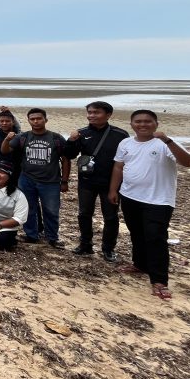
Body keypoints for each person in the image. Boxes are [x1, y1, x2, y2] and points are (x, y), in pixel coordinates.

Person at [109, 110, 190, 300]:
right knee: (137, 233)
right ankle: (139, 264)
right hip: (130, 196)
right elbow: (118, 167)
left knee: (155, 238)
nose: (142, 125)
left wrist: (168, 140)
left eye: (147, 121)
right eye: (138, 121)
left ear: (156, 124)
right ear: (131, 124)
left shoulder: (164, 144)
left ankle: (159, 280)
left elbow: (189, 162)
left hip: (159, 200)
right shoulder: (126, 143)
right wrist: (113, 190)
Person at [63, 101, 129, 262]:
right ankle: (85, 244)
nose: (91, 115)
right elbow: (69, 155)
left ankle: (108, 249)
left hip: (110, 183)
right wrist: (71, 140)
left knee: (111, 217)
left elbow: (126, 160)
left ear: (108, 115)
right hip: (87, 181)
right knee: (84, 214)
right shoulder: (81, 133)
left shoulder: (120, 135)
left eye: (96, 112)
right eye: (90, 112)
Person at [1, 108, 68, 248]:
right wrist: (7, 139)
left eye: (39, 118)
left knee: (51, 210)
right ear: (28, 121)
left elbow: (66, 159)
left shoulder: (56, 138)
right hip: (27, 179)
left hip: (50, 181)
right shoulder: (23, 137)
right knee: (28, 209)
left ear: (45, 120)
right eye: (32, 119)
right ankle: (31, 235)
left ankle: (52, 237)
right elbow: (5, 150)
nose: (36, 121)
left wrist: (64, 180)